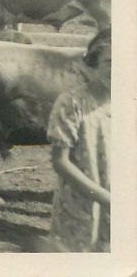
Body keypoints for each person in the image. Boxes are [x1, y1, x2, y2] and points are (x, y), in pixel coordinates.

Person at [45, 28, 111, 252]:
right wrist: (106, 199)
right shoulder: (72, 104)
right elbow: (60, 162)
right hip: (80, 205)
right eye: (109, 61)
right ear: (92, 64)